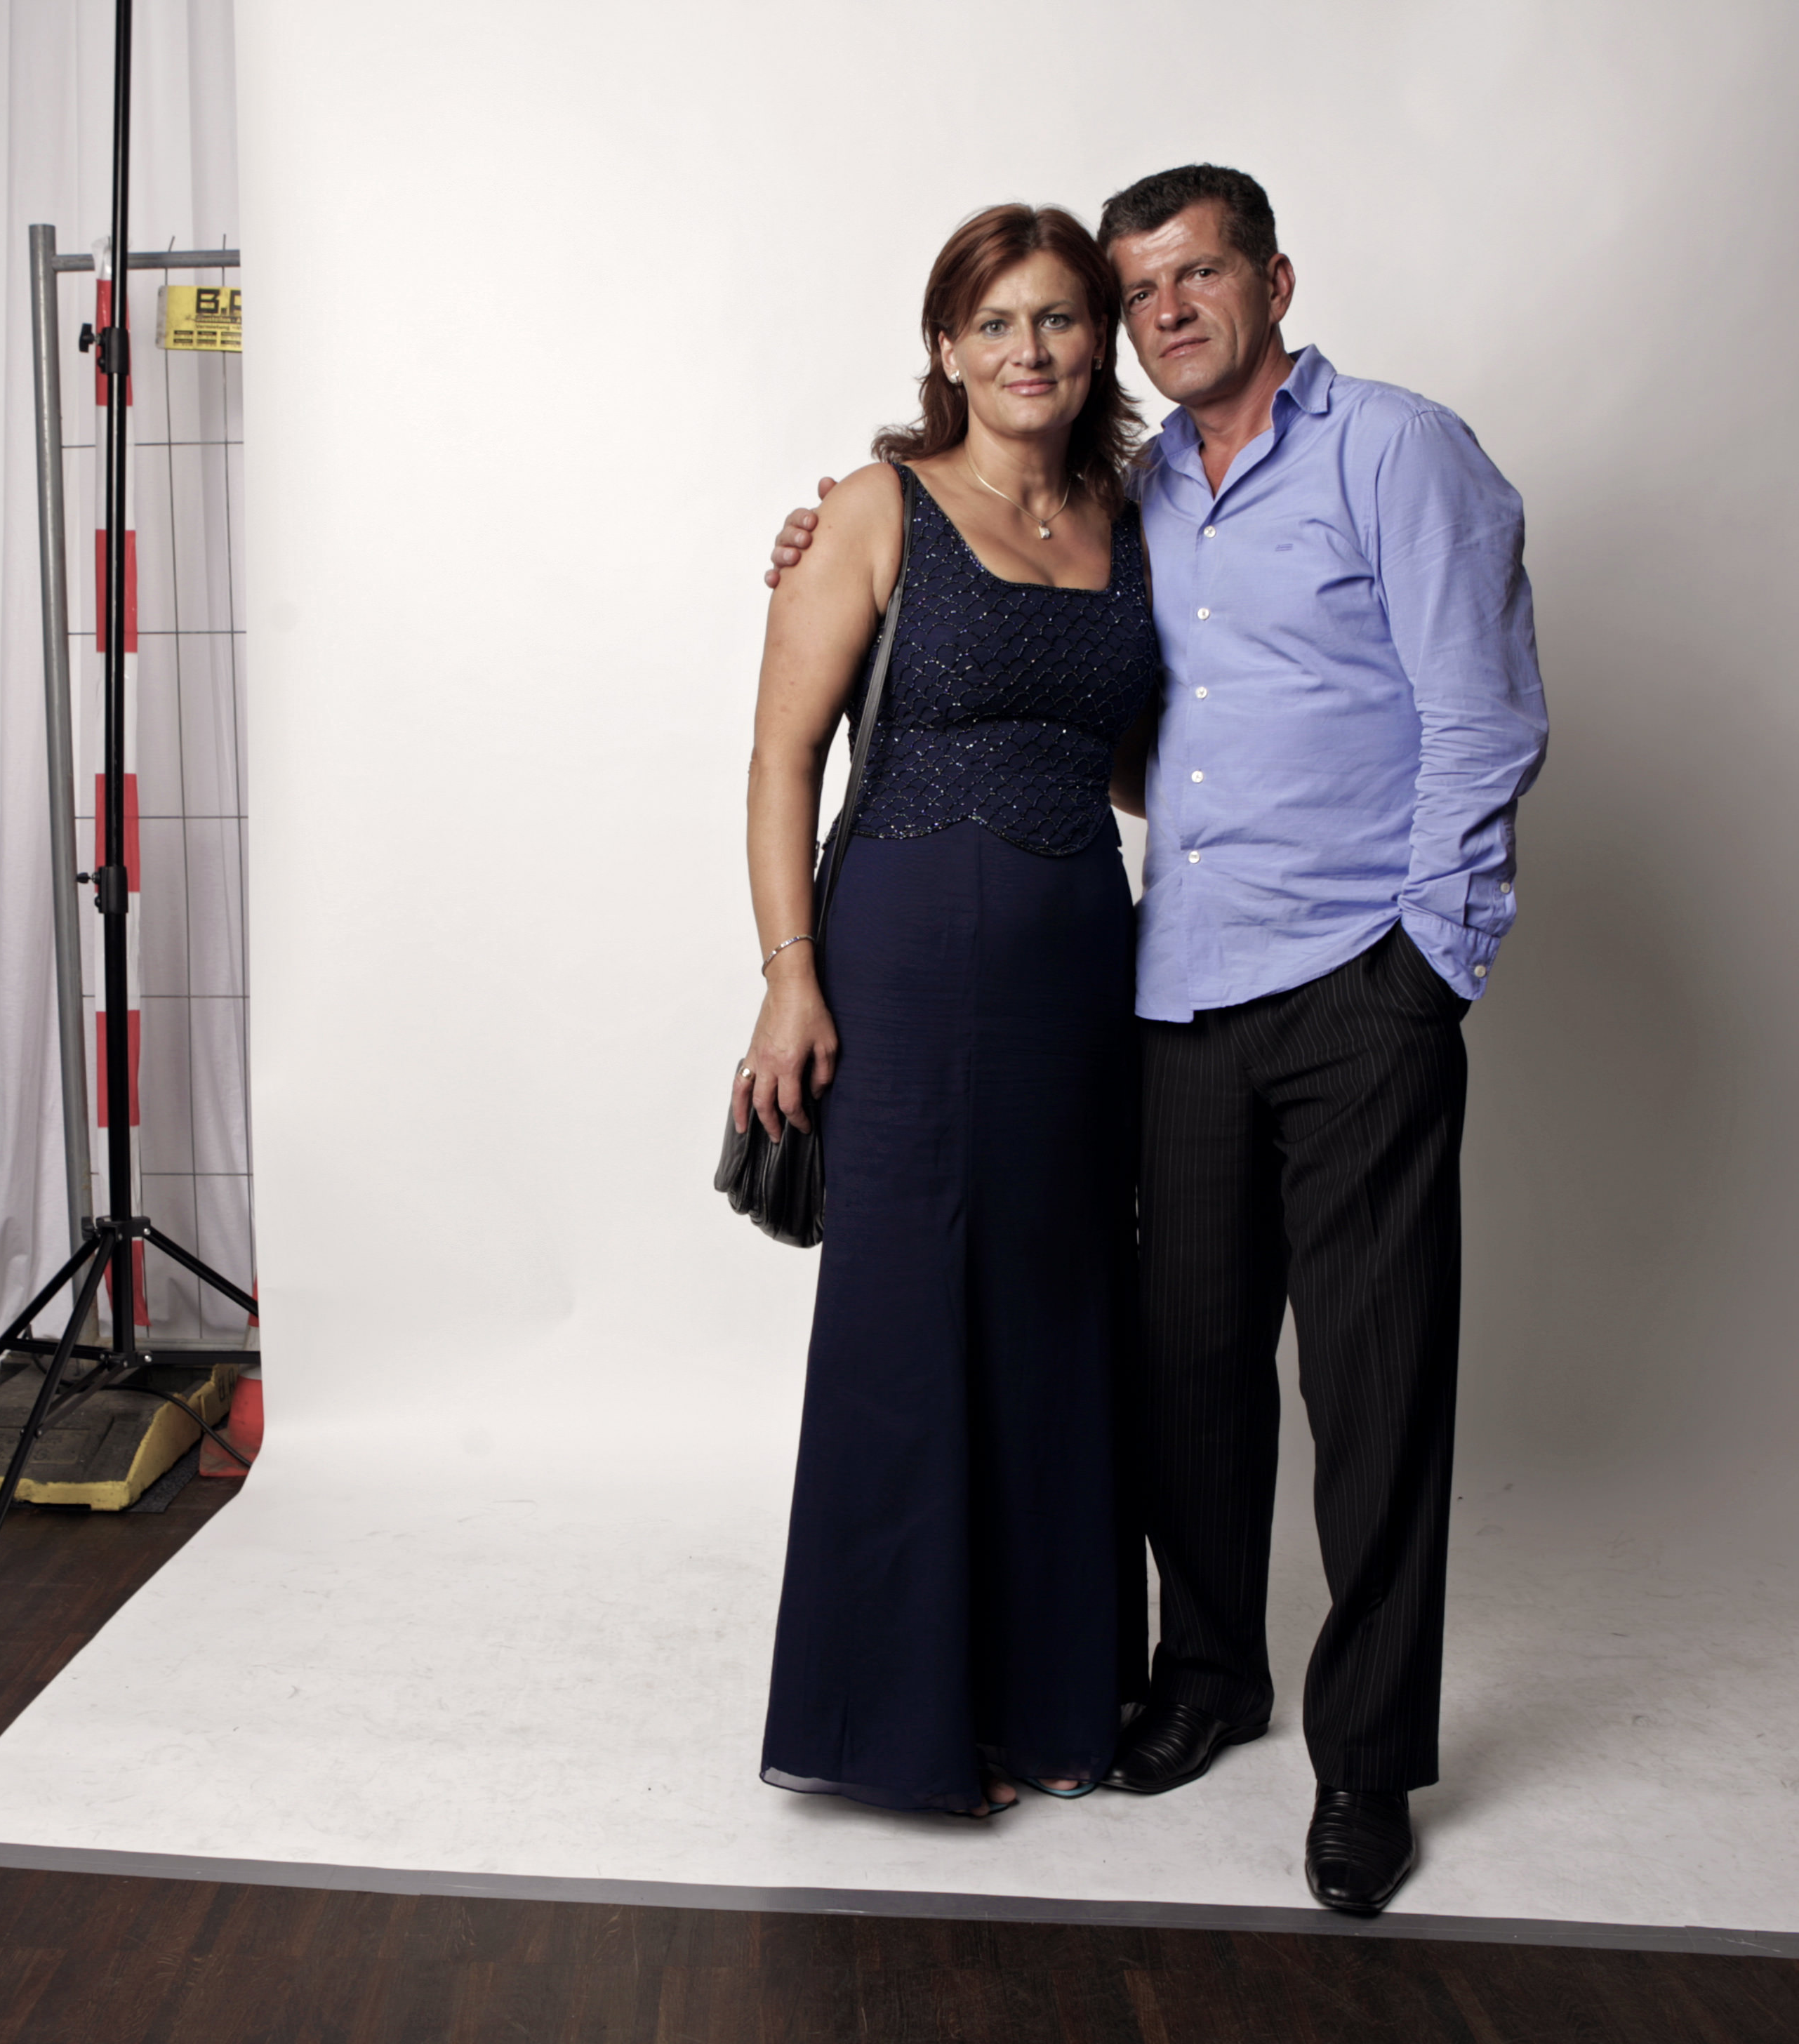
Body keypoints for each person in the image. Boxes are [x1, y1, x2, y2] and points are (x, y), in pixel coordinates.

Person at [766, 164, 1548, 1912]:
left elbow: (1485, 719)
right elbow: (1065, 709)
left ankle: (1367, 1765)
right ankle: (1205, 1678)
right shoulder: (1144, 497)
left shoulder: (1393, 451)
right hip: (1172, 989)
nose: (1165, 310)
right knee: (1180, 1368)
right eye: (1142, 289)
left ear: (1275, 280)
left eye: (1195, 275)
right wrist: (829, 554)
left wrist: (1432, 961)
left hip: (1353, 982)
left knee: (1371, 1386)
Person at [740, 202, 1160, 1818]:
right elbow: (782, 757)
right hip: (905, 973)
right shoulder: (875, 510)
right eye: (995, 323)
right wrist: (790, 977)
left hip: (1080, 972)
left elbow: (1137, 760)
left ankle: (1049, 1702)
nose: (1028, 349)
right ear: (946, 347)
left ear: (1096, 341)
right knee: (909, 1323)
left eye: (1057, 318)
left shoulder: (1133, 520)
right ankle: (898, 1725)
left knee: (1060, 1315)